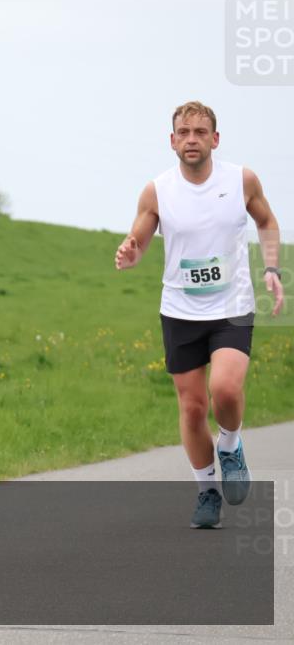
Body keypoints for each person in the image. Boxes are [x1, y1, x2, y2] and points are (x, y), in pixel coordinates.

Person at [115, 101, 284, 529]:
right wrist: (131, 250)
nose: (192, 139)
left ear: (215, 139)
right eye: (184, 132)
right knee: (192, 409)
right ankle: (207, 491)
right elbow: (140, 235)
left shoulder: (241, 180)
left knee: (225, 391)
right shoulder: (158, 189)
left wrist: (270, 268)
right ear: (172, 141)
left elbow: (266, 221)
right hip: (180, 309)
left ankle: (230, 445)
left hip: (232, 306)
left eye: (200, 131)